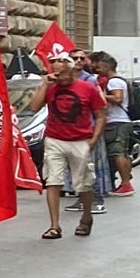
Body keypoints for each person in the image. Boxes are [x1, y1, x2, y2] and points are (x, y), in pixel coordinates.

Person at [32, 51, 105, 240]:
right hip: (54, 139)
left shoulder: (87, 88)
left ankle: (86, 217)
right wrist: (45, 84)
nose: (60, 78)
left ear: (71, 70)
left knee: (83, 184)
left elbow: (100, 115)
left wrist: (94, 138)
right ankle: (54, 226)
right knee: (53, 181)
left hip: (80, 140)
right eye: (56, 74)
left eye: (63, 73)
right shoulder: (50, 86)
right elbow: (34, 107)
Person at [97, 52, 133, 196]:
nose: (98, 70)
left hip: (117, 121)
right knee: (122, 153)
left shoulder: (113, 81)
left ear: (107, 66)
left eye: (99, 67)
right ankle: (126, 180)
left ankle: (126, 184)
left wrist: (99, 95)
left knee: (117, 153)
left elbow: (118, 98)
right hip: (122, 121)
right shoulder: (119, 80)